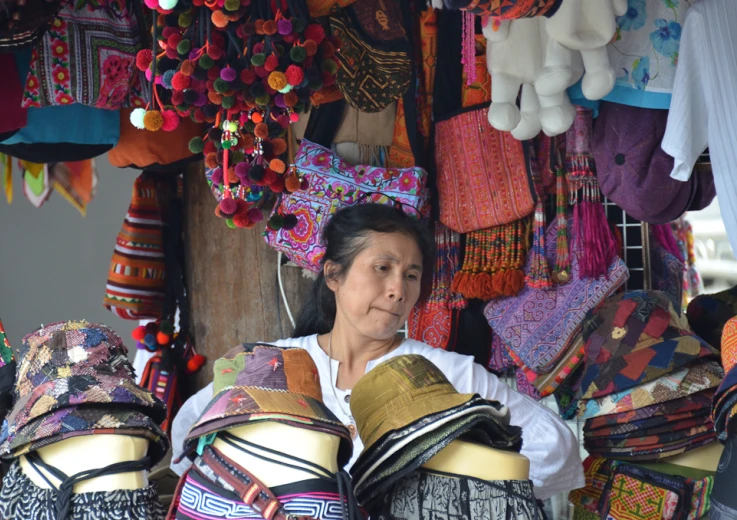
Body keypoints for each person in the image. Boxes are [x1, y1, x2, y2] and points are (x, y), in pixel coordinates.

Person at [171, 204, 585, 500]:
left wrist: (449, 485)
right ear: (334, 274)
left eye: (411, 274)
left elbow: (554, 450)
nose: (398, 289)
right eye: (382, 268)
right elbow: (188, 438)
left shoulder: (444, 372)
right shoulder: (269, 365)